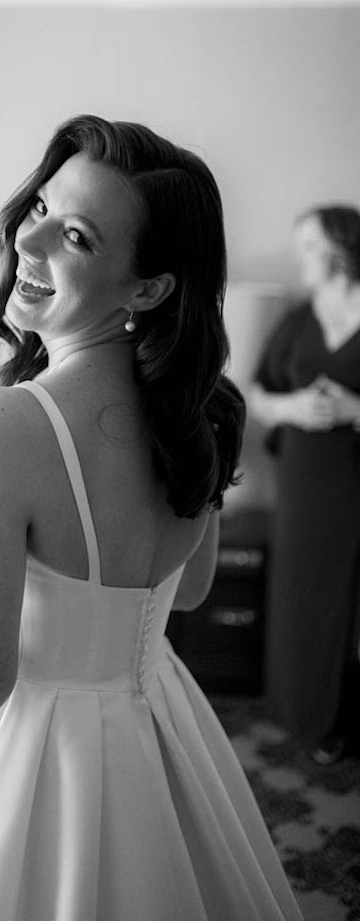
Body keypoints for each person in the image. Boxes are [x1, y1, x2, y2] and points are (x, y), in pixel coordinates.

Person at [0, 115, 304, 920]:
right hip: (160, 722)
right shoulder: (205, 412)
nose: (28, 247)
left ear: (149, 287)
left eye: (75, 236)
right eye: (38, 210)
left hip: (33, 757)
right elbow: (193, 589)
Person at [249, 205, 360, 766]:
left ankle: (344, 723)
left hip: (354, 481)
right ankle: (298, 713)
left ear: (341, 249)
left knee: (350, 601)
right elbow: (255, 393)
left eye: (309, 246)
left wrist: (352, 408)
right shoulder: (296, 320)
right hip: (303, 481)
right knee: (301, 594)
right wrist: (293, 405)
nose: (300, 258)